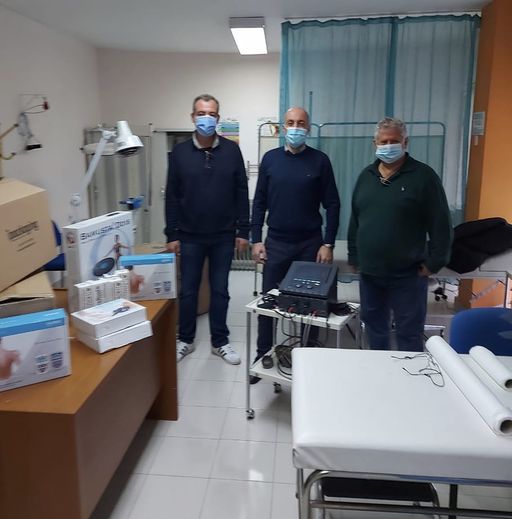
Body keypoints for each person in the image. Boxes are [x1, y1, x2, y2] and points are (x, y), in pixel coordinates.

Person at [251, 107, 341, 383]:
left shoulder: (320, 161)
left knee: (310, 305)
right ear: (283, 127)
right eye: (290, 122)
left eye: (301, 123)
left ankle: (308, 355)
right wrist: (256, 239)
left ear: (308, 128)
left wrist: (328, 243)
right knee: (268, 304)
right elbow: (260, 202)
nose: (295, 127)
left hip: (309, 244)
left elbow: (333, 204)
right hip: (276, 242)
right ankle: (262, 353)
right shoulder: (270, 159)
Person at [347, 117, 452, 351]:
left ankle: (410, 374)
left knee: (409, 333)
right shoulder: (366, 176)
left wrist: (434, 263)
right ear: (375, 143)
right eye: (383, 142)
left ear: (405, 142)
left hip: (408, 275)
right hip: (371, 274)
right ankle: (381, 371)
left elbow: (441, 224)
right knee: (375, 329)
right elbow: (356, 219)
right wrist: (354, 256)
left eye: (394, 141)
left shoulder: (423, 177)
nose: (388, 146)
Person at [165, 94, 250, 364]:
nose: (206, 118)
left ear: (218, 118)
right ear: (192, 117)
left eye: (212, 114)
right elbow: (172, 196)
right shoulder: (179, 153)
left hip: (223, 235)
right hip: (189, 236)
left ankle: (220, 341)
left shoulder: (231, 150)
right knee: (188, 291)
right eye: (201, 113)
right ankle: (185, 339)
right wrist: (172, 234)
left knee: (220, 290)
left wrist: (243, 231)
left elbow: (241, 191)